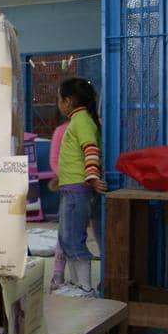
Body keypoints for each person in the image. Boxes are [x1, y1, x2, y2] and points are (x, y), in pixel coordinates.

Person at [52, 77, 107, 297]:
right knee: (66, 238)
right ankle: (77, 285)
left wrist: (92, 176)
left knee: (73, 238)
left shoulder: (81, 120)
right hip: (71, 187)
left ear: (68, 101)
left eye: (59, 98)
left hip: (77, 189)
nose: (58, 103)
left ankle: (85, 287)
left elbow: (90, 149)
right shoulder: (79, 120)